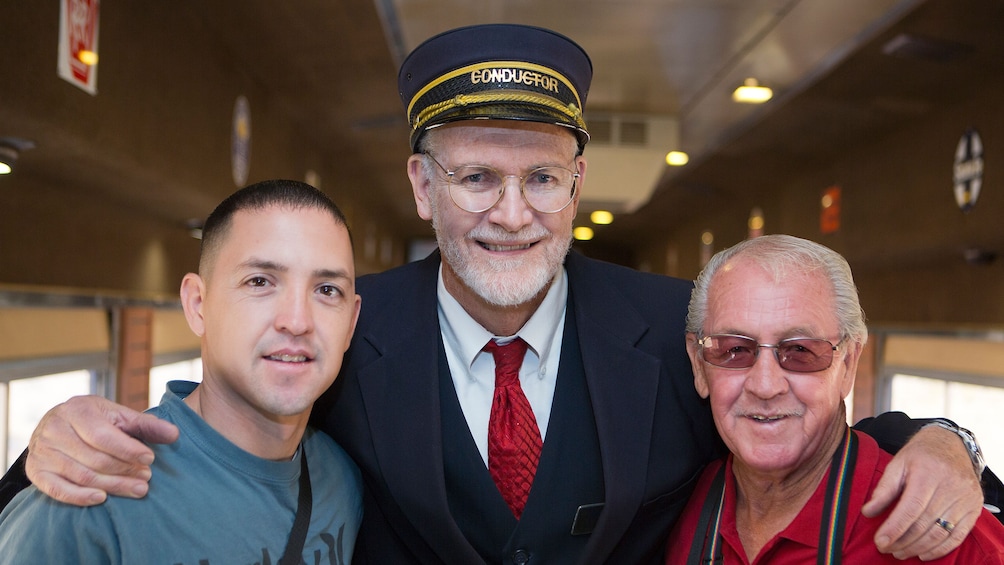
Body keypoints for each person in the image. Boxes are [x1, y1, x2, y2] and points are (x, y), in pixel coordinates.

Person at [0, 24, 993, 565]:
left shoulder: (675, 322)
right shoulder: (344, 324)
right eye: (476, 177)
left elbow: (792, 408)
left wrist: (946, 445)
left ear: (577, 185)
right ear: (423, 187)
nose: (511, 214)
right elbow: (213, 425)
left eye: (540, 179)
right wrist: (46, 445)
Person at [0, 180, 363, 563]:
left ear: (351, 323)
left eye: (326, 290)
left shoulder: (343, 482)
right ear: (198, 305)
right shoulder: (91, 495)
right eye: (260, 281)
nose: (296, 321)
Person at [665, 234, 1004, 564]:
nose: (765, 386)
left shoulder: (945, 538)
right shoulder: (671, 503)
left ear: (849, 363)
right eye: (735, 349)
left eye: (800, 350)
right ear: (698, 363)